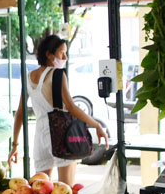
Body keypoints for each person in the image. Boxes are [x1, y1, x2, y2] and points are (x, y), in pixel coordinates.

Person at [8, 34, 108, 185]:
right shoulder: (58, 74)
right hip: (61, 136)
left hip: (40, 140)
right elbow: (72, 108)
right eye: (62, 53)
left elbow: (20, 114)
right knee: (65, 191)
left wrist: (15, 145)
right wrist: (97, 125)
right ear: (49, 54)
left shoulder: (29, 77)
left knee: (41, 193)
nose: (65, 57)